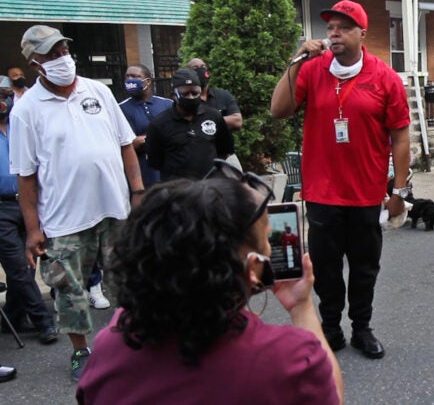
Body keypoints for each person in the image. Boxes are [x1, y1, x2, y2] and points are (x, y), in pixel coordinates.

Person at [76, 167, 343, 404]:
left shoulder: (112, 342)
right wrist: (301, 306)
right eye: (266, 241)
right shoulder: (287, 359)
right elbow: (330, 394)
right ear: (253, 268)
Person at [270, 0, 411, 359]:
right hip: (321, 193)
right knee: (326, 268)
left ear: (362, 33)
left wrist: (400, 191)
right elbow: (279, 110)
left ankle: (361, 327)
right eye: (331, 27)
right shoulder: (312, 69)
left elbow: (400, 137)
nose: (334, 33)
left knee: (365, 269)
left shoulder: (385, 78)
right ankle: (330, 328)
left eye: (344, 27)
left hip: (366, 194)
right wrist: (295, 60)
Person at [9, 25, 144, 381]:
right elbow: (25, 176)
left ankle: (133, 343)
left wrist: (138, 192)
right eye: (51, 55)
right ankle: (80, 351)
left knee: (128, 281)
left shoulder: (97, 90)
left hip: (115, 208)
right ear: (35, 63)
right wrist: (33, 229)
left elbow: (126, 145)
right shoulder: (27, 110)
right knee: (69, 289)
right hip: (64, 218)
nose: (61, 59)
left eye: (63, 51)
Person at [0, 91, 58, 344]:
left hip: (29, 204)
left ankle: (11, 316)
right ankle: (43, 320)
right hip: (1, 208)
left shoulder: (21, 125)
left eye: (4, 95)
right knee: (19, 266)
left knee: (29, 264)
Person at [145, 68, 234, 181]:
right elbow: (155, 161)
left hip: (209, 188)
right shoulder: (159, 124)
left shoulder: (214, 116)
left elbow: (224, 150)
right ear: (174, 95)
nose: (191, 97)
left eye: (195, 93)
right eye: (185, 94)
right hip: (177, 191)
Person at [118, 64, 173, 188]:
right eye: (127, 77)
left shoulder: (167, 104)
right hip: (142, 175)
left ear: (147, 81)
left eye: (135, 76)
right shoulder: (120, 109)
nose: (130, 80)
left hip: (169, 174)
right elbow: (128, 144)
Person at [186, 58, 243, 131]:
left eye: (203, 67)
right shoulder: (187, 99)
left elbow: (237, 122)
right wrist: (221, 120)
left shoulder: (223, 95)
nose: (201, 70)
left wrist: (205, 121)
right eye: (195, 68)